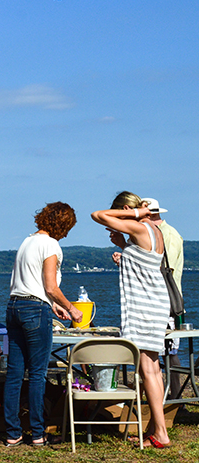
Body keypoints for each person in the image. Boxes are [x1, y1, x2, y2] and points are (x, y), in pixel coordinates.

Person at [92, 192, 171, 449]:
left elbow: (97, 215)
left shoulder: (139, 224)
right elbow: (146, 263)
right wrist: (123, 247)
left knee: (147, 369)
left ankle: (160, 433)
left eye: (121, 212)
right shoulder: (153, 230)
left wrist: (134, 214)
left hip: (145, 305)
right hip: (156, 302)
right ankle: (155, 428)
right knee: (153, 368)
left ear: (126, 208)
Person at [4, 202, 82, 447]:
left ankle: (12, 432)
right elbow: (50, 286)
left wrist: (53, 305)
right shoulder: (51, 244)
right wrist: (71, 307)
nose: (67, 233)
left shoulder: (27, 242)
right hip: (35, 310)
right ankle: (38, 433)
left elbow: (30, 283)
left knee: (15, 374)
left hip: (14, 306)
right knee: (38, 374)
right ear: (63, 225)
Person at [144, 197, 185, 397]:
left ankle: (175, 398)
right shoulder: (162, 233)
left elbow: (164, 268)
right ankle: (170, 398)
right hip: (164, 300)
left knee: (169, 352)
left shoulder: (166, 235)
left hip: (167, 302)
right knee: (165, 352)